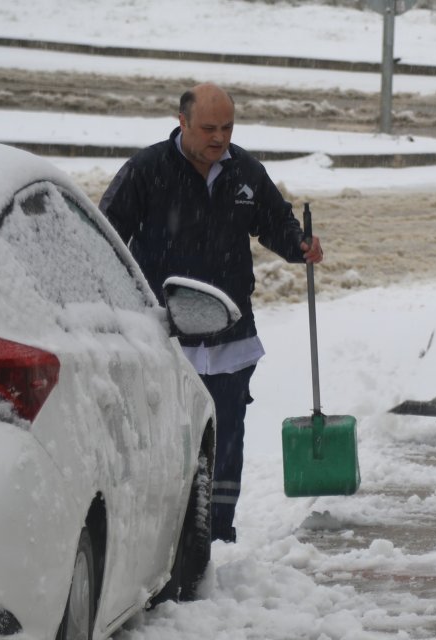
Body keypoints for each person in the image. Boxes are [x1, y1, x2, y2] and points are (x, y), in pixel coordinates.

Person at [100, 82, 323, 542]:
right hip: (164, 334)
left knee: (225, 438)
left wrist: (299, 245)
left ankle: (216, 533)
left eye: (227, 127)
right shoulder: (148, 170)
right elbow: (107, 236)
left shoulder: (244, 171)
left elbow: (275, 222)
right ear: (182, 122)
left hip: (231, 336)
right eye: (208, 128)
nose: (219, 138)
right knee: (164, 439)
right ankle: (161, 537)